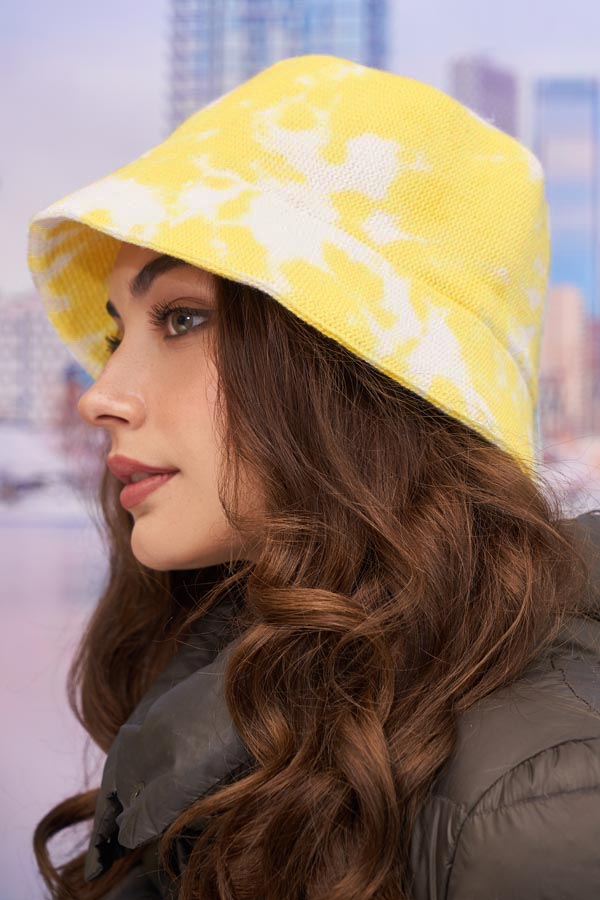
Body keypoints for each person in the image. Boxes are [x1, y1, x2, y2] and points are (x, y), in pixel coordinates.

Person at [27, 54, 600, 900]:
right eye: (118, 335)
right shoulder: (239, 675)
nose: (100, 396)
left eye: (181, 318)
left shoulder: (545, 796)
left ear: (356, 371)